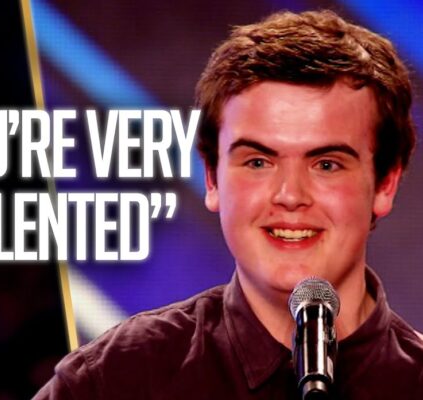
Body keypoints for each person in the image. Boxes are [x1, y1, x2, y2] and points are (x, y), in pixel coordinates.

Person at [35, 10, 423, 399]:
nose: (290, 195)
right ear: (212, 178)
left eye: (326, 164)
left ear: (385, 183)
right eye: (258, 162)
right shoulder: (114, 379)